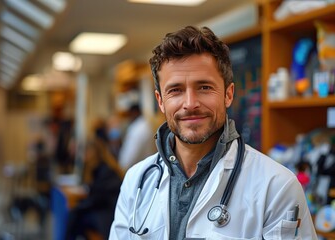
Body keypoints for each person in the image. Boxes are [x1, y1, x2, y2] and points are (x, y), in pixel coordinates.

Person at [109, 26, 317, 239]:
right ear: (160, 101)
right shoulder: (136, 181)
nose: (190, 104)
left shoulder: (277, 187)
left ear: (228, 94)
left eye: (204, 87)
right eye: (175, 90)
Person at [65, 118, 124, 240]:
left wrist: (79, 207)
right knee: (75, 216)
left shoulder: (106, 171)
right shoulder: (100, 169)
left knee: (75, 216)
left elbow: (98, 199)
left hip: (108, 215)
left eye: (87, 152)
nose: (85, 156)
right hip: (103, 210)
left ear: (94, 153)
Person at [118, 104, 156, 171]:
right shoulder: (145, 125)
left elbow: (127, 161)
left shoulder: (136, 129)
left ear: (134, 113)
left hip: (139, 170)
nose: (128, 118)